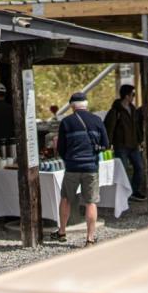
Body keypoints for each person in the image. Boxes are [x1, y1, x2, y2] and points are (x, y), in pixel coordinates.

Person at [54, 92, 109, 246]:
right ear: (86, 104)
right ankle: (90, 239)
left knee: (66, 198)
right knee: (90, 202)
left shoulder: (66, 122)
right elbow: (106, 144)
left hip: (72, 167)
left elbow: (61, 148)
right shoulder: (97, 120)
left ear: (72, 106)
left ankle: (62, 232)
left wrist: (69, 159)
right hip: (91, 167)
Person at [104, 84, 146, 200]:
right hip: (121, 146)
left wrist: (140, 140)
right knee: (123, 170)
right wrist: (108, 145)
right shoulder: (115, 111)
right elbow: (109, 129)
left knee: (140, 167)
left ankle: (133, 191)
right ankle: (124, 194)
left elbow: (137, 127)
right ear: (127, 96)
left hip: (134, 145)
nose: (134, 97)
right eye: (133, 94)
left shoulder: (133, 109)